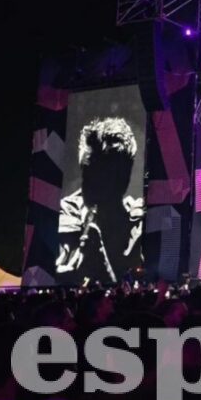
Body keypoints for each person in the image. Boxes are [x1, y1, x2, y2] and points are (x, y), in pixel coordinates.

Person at [56, 118, 143, 284]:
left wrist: (101, 258)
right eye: (86, 171)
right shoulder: (67, 209)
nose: (89, 184)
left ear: (123, 178)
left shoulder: (138, 225)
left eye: (101, 175)